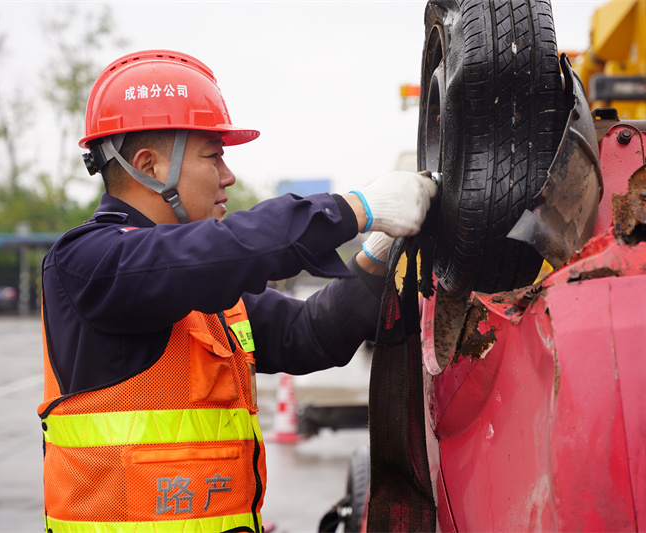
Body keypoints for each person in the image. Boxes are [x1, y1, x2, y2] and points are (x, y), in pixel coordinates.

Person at [37, 50, 436, 532]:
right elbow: (221, 250)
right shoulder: (88, 263)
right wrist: (355, 208)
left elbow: (308, 334)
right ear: (150, 165)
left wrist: (375, 258)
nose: (227, 176)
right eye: (213, 155)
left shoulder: (205, 294)